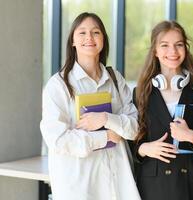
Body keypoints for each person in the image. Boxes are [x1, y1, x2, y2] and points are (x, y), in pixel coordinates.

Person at [40, 12, 140, 200]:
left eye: (96, 32)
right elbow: (58, 140)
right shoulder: (58, 85)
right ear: (73, 41)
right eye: (82, 33)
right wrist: (106, 136)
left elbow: (135, 128)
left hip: (120, 185)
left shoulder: (115, 79)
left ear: (103, 40)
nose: (89, 38)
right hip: (81, 188)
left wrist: (106, 119)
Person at [133, 20, 193, 200]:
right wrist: (144, 148)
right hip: (154, 189)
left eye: (178, 45)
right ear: (155, 50)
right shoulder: (140, 93)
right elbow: (129, 143)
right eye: (165, 45)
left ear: (185, 48)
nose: (173, 51)